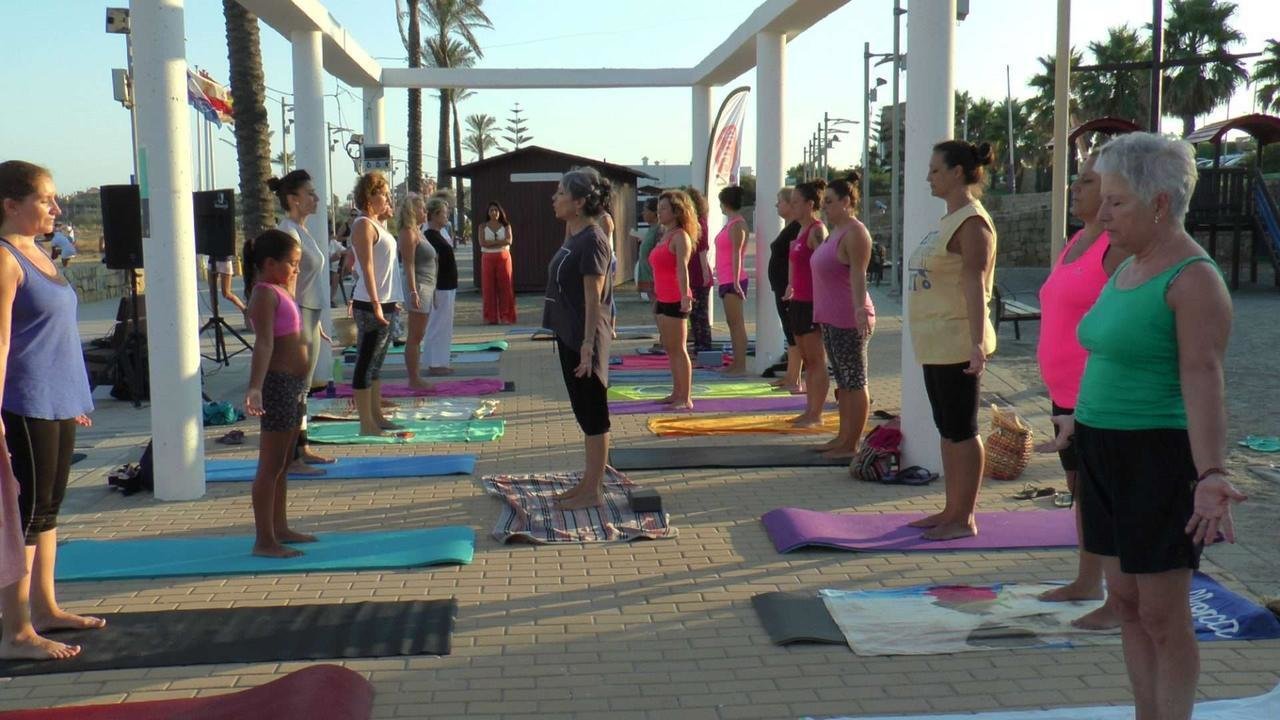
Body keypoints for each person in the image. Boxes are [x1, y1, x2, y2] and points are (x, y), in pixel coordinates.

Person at [1040, 133, 1243, 719]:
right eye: (1102, 199)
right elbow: (1111, 353)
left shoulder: (1192, 279)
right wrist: (1078, 418)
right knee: (1126, 602)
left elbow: (1204, 381)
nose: (1102, 213)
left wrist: (1210, 473)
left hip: (1156, 456)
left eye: (1116, 202)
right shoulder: (1128, 265)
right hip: (1101, 449)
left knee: (1161, 614)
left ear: (1159, 203)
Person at [0, 160, 98, 661]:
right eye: (46, 199)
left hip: (57, 400)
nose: (56, 207)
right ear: (11, 205)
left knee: (50, 511)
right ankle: (16, 630)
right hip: (24, 403)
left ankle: (46, 609)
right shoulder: (4, 260)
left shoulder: (40, 253)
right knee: (27, 517)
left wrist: (77, 397)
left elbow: (57, 337)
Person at [1034, 148, 1127, 630]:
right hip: (1064, 393)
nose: (1077, 189)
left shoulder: (1113, 247)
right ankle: (1087, 580)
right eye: (1078, 181)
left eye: (1088, 182)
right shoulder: (1075, 241)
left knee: (1101, 493)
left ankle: (1115, 596)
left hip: (1097, 391)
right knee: (1080, 491)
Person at [906, 140, 998, 541]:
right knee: (947, 429)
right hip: (935, 343)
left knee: (962, 429)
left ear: (957, 172)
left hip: (959, 340)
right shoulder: (949, 220)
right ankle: (951, 508)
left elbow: (976, 285)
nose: (929, 177)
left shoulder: (973, 223)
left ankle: (965, 517)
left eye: (935, 170)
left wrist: (977, 344)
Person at [543, 167, 616, 509]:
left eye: (560, 193)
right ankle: (588, 483)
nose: (554, 198)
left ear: (580, 201)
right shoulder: (575, 235)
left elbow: (593, 298)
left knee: (593, 412)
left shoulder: (593, 240)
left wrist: (588, 345)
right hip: (570, 334)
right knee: (584, 413)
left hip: (585, 338)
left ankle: (594, 491)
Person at [242, 229, 316, 558]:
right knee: (270, 465)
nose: (297, 270)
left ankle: (280, 527)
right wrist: (255, 387)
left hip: (294, 386)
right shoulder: (263, 295)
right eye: (292, 264)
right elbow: (264, 344)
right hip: (277, 384)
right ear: (270, 264)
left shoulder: (280, 289)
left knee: (285, 461)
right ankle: (264, 540)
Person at [270, 169, 332, 473]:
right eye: (310, 193)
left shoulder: (301, 230)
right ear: (293, 200)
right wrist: (295, 325)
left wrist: (316, 322)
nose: (316, 198)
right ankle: (292, 457)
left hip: (310, 314)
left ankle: (302, 447)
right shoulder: (290, 233)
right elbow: (288, 282)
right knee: (296, 387)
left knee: (304, 388)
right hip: (299, 317)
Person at [811, 175, 876, 459]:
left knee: (855, 381)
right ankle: (842, 437)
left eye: (829, 202)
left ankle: (851, 444)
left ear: (846, 202)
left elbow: (858, 274)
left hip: (850, 318)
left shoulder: (856, 233)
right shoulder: (835, 232)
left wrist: (860, 308)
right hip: (830, 317)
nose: (824, 207)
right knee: (843, 382)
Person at [347, 172, 402, 436]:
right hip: (370, 304)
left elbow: (386, 264)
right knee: (366, 362)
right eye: (384, 193)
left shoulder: (377, 224)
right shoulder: (362, 225)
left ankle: (376, 416)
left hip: (386, 301)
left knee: (377, 363)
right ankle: (365, 423)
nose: (388, 198)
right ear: (371, 196)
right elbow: (366, 267)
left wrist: (392, 301)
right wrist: (377, 303)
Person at [786, 180, 829, 427]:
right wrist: (790, 287)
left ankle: (816, 414)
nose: (792, 207)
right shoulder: (800, 230)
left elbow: (825, 266)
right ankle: (809, 410)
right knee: (806, 360)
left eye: (795, 203)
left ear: (810, 204)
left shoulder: (816, 230)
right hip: (799, 301)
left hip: (814, 302)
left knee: (816, 360)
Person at [651, 191, 697, 410]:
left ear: (677, 211)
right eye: (659, 209)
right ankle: (676, 392)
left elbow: (682, 269)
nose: (660, 213)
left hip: (675, 298)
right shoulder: (664, 235)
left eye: (664, 209)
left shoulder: (680, 236)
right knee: (670, 348)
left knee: (679, 349)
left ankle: (685, 397)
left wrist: (685, 297)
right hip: (662, 298)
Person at [398, 193, 438, 390]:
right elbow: (408, 265)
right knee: (415, 336)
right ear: (413, 211)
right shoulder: (408, 233)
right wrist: (413, 292)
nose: (425, 212)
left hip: (427, 286)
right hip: (419, 286)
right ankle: (414, 378)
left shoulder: (418, 231)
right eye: (422, 208)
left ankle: (416, 377)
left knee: (418, 335)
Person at [767, 187, 802, 392]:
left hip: (789, 288)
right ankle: (791, 375)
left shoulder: (797, 227)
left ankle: (794, 378)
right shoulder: (790, 226)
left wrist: (791, 284)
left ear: (791, 204)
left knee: (792, 331)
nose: (776, 205)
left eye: (780, 201)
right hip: (782, 286)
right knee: (790, 332)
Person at [714, 186, 750, 376]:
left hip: (733, 280)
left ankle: (740, 365)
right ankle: (736, 363)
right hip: (726, 278)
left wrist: (735, 282)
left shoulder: (737, 225)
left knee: (737, 323)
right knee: (731, 322)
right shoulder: (730, 223)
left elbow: (737, 253)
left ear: (726, 203)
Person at [423, 197, 459, 376]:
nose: (447, 216)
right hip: (440, 287)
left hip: (448, 285)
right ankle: (435, 363)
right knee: (438, 324)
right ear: (435, 215)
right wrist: (434, 290)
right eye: (444, 213)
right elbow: (432, 265)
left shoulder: (440, 234)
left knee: (444, 325)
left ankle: (440, 361)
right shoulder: (430, 236)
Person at [683, 187, 714, 352]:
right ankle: (699, 345)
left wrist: (704, 275)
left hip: (698, 273)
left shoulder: (700, 223)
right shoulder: (693, 223)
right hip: (692, 272)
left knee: (700, 313)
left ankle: (704, 346)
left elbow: (702, 251)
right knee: (695, 314)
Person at [480, 201, 517, 324]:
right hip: (487, 258)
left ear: (500, 212)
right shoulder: (482, 226)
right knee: (488, 287)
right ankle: (490, 317)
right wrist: (499, 241)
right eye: (491, 210)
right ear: (488, 213)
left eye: (496, 210)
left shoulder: (506, 226)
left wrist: (493, 243)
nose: (494, 213)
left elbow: (509, 240)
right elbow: (482, 243)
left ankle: (506, 316)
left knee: (505, 286)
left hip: (504, 257)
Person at [634, 198, 661, 301]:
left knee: (658, 309)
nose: (643, 212)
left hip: (654, 279)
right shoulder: (651, 228)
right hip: (648, 277)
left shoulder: (659, 229)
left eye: (645, 209)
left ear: (655, 213)